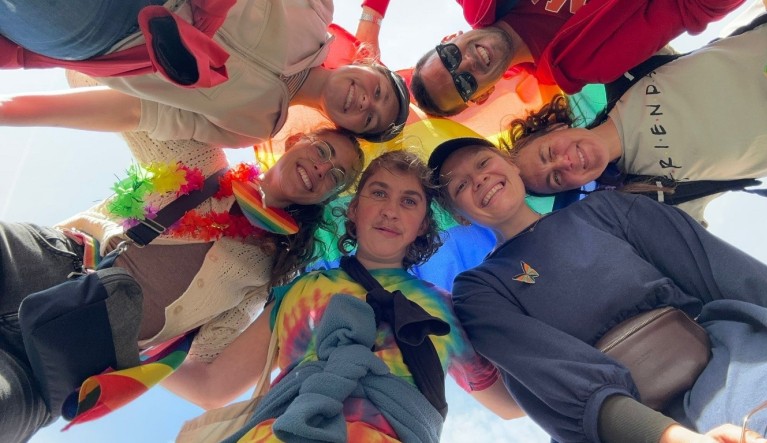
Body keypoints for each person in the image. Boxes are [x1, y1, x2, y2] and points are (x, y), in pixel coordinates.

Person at [0, 123, 364, 442]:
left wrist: (129, 360)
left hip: (72, 355)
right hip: (50, 261)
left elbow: (207, 368)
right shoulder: (202, 160)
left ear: (328, 197)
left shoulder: (266, 271)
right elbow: (128, 101)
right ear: (296, 140)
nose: (322, 168)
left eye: (336, 177)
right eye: (322, 150)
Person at [427, 136, 767, 442]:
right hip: (624, 426)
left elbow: (720, 271)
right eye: (460, 186)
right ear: (458, 215)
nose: (479, 179)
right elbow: (553, 379)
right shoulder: (477, 290)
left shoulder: (608, 209)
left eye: (483, 162)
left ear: (511, 164)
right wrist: (667, 436)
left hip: (730, 362)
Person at [163, 150, 523, 443]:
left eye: (409, 201)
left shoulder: (444, 309)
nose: (390, 211)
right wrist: (134, 356)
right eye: (379, 193)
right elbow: (211, 386)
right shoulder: (299, 290)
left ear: (423, 225)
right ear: (353, 208)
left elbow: (509, 406)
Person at [0, 0, 410, 146]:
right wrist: (372, 17)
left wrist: (10, 111)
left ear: (343, 127)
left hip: (107, 36)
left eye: (368, 118)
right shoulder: (318, 9)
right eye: (379, 92)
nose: (365, 102)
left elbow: (138, 112)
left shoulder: (250, 128)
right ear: (367, 63)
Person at [504, 14, 767, 224]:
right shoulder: (655, 195)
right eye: (555, 178)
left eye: (549, 153)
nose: (564, 163)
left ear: (555, 128)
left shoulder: (622, 70)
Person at [408, 0, 744, 117]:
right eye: (465, 83)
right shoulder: (585, 63)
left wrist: (378, 18)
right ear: (482, 95)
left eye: (449, 57)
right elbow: (689, 8)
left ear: (449, 39)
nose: (466, 64)